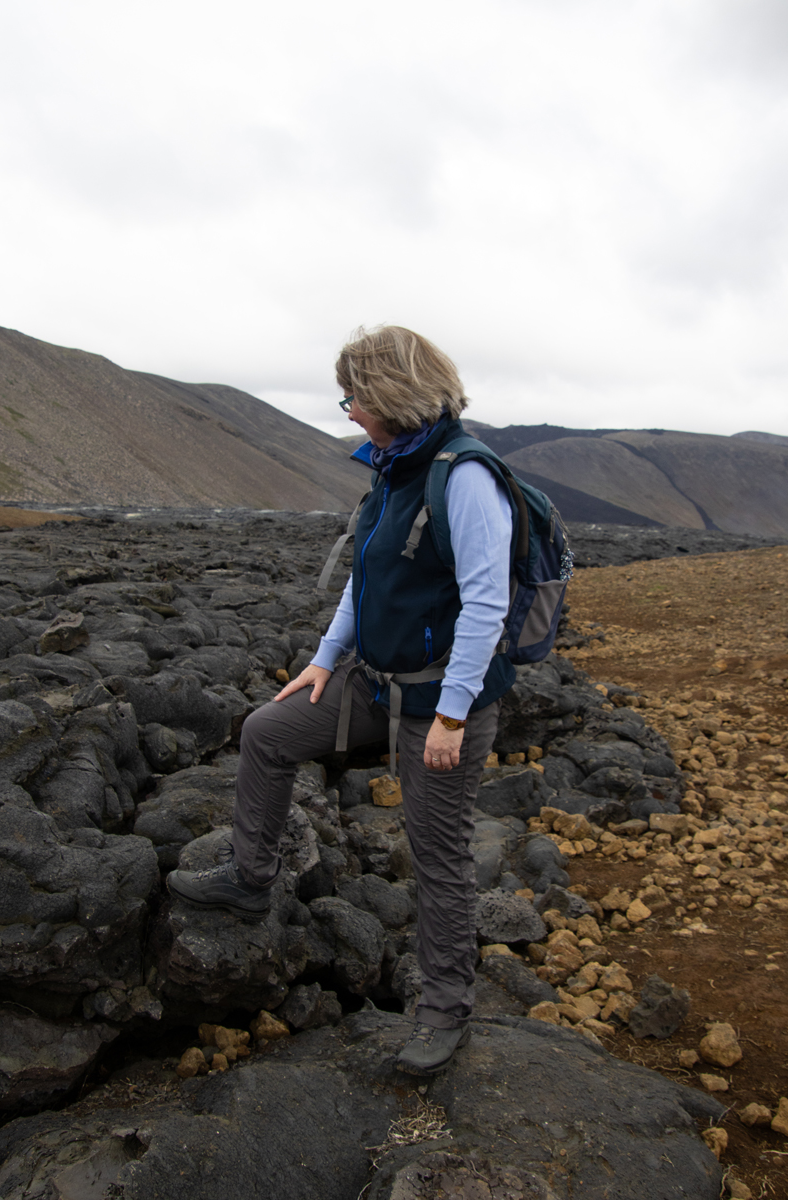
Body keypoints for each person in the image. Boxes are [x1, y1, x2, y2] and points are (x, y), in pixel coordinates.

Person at [168, 325, 515, 1075]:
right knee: (267, 731)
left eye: (354, 396)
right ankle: (251, 880)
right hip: (374, 681)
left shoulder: (465, 478)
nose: (349, 410)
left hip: (441, 703)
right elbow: (365, 577)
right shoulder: (392, 468)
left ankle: (445, 1010)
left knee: (439, 856)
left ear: (393, 395)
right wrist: (325, 660)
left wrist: (452, 714)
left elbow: (488, 606)